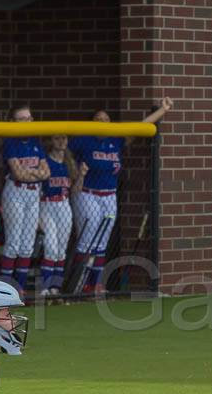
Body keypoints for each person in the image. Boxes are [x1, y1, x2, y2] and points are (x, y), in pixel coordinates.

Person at [69, 97, 174, 294]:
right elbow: (64, 152)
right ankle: (78, 285)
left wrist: (163, 110)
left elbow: (139, 127)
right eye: (98, 119)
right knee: (86, 240)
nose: (103, 123)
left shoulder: (115, 139)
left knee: (101, 242)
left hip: (109, 196)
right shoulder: (83, 140)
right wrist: (75, 172)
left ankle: (95, 284)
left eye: (106, 119)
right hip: (87, 194)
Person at [0, 103, 48, 291]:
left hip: (33, 193)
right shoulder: (10, 142)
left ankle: (18, 289)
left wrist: (31, 173)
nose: (26, 122)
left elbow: (47, 172)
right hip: (16, 192)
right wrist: (35, 173)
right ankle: (5, 288)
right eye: (21, 119)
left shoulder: (36, 142)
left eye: (28, 118)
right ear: (12, 122)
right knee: (13, 242)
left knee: (27, 244)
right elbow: (18, 174)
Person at [39, 134, 83, 294]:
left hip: (64, 204)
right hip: (46, 204)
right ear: (51, 140)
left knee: (61, 250)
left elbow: (75, 191)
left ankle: (55, 288)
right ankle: (45, 287)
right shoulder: (45, 160)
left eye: (64, 138)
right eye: (57, 138)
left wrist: (82, 176)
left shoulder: (69, 162)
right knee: (50, 246)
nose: (61, 141)